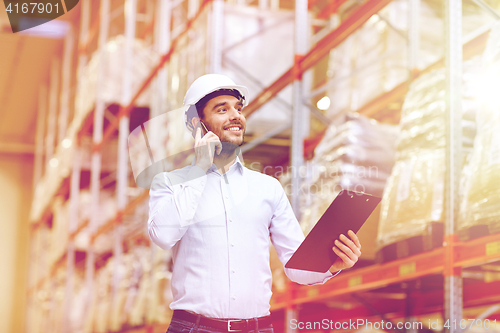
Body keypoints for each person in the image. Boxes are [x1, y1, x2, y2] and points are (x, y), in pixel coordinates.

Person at [147, 74, 362, 333]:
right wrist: (200, 168)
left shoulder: (267, 187)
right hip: (194, 328)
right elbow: (163, 235)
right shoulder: (170, 183)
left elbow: (296, 266)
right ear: (197, 123)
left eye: (238, 108)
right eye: (222, 109)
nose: (235, 115)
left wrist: (332, 263)